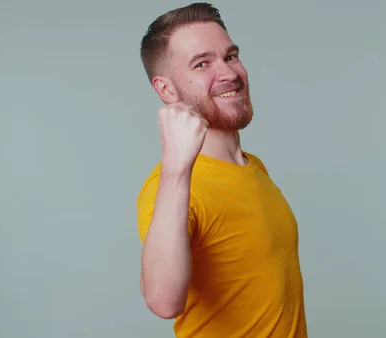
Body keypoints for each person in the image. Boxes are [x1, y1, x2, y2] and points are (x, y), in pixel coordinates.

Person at [136, 3, 307, 337]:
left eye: (230, 56)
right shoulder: (169, 186)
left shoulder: (253, 166)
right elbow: (163, 301)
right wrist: (175, 168)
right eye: (202, 63)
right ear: (167, 90)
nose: (229, 73)